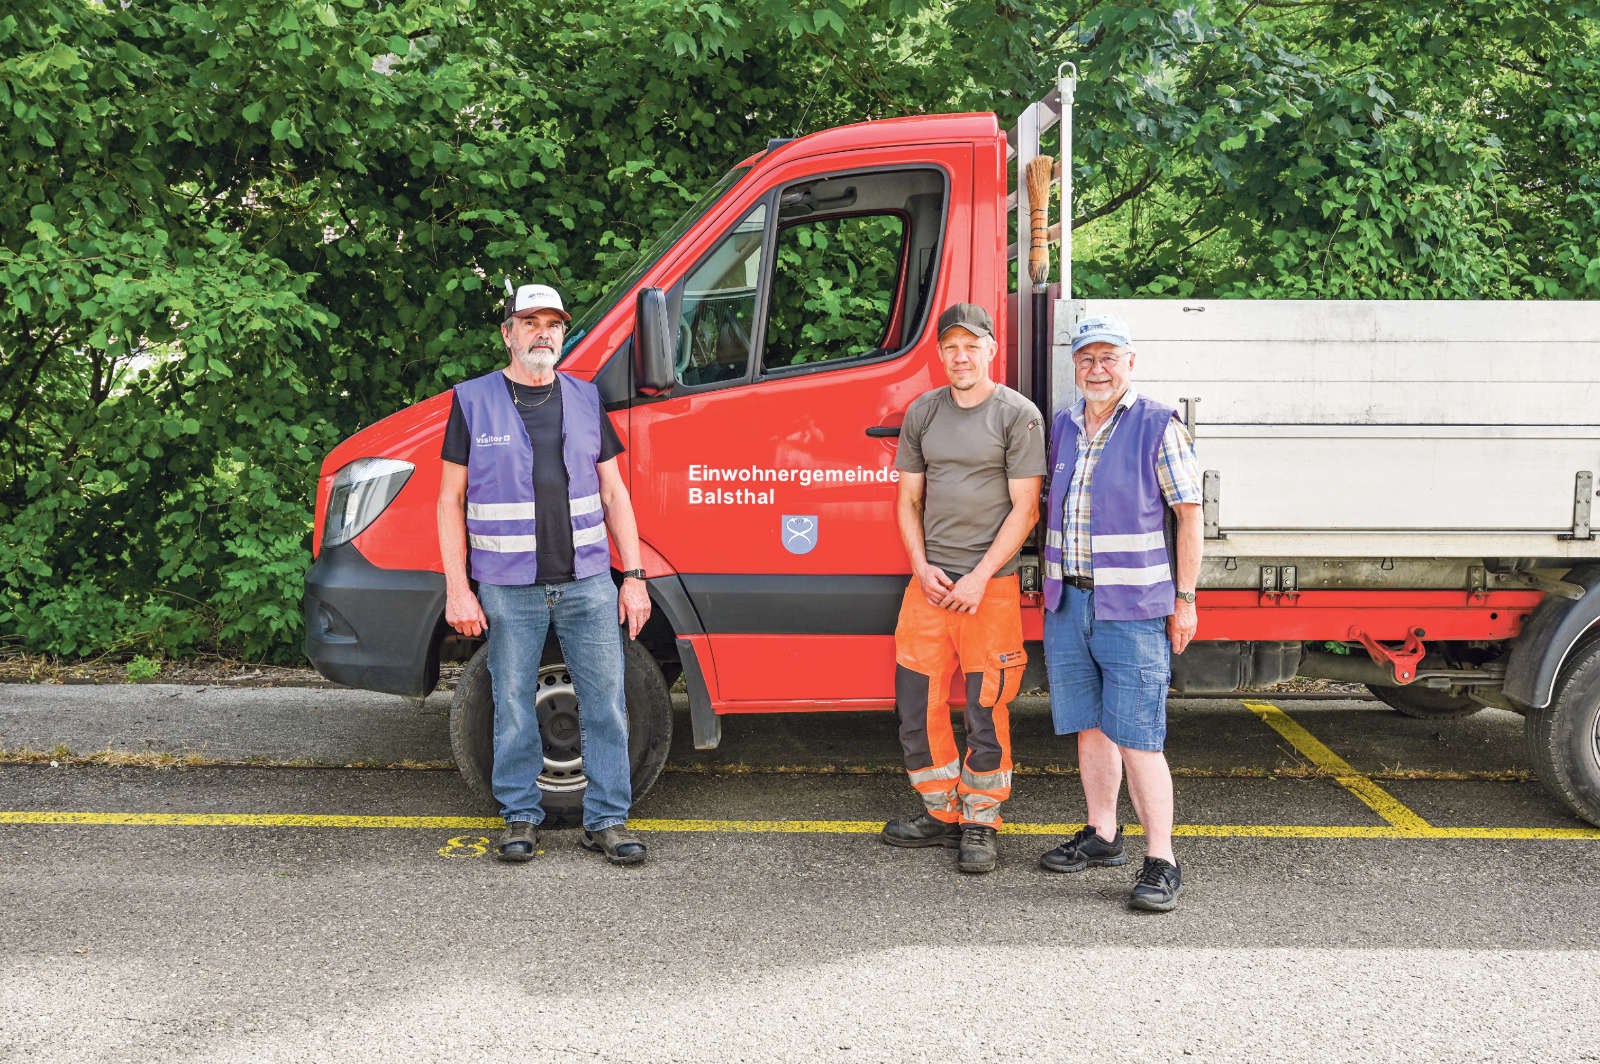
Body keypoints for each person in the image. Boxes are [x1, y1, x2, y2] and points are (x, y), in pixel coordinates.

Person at [436, 281, 652, 866]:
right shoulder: (473, 401)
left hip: (586, 581)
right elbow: (449, 501)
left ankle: (606, 820)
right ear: (507, 333)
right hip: (509, 586)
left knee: (606, 701)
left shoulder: (585, 398)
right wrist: (459, 587)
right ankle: (520, 817)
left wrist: (633, 575)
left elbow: (614, 493)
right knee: (510, 701)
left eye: (552, 323)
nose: (542, 333)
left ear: (562, 334)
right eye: (529, 322)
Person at [1038, 312, 1202, 911]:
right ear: (1075, 366)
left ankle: (1162, 859)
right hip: (1069, 601)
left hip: (1133, 607)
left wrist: (1185, 599)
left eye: (1109, 358)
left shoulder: (1158, 425)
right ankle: (1103, 834)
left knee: (1138, 735)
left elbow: (1189, 515)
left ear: (1130, 362)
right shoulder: (1063, 426)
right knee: (1089, 727)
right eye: (1086, 358)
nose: (1097, 369)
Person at [881, 302, 1045, 874]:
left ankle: (980, 819)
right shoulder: (924, 412)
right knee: (915, 707)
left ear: (991, 349)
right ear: (941, 355)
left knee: (986, 709)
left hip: (989, 590)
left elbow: (1026, 509)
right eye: (950, 347)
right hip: (927, 587)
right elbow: (907, 499)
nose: (961, 356)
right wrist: (922, 567)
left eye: (971, 345)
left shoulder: (1017, 415)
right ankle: (940, 810)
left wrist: (978, 578)